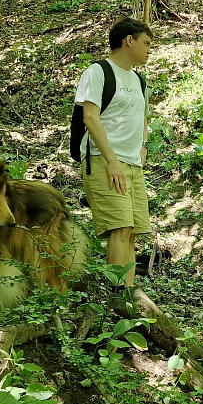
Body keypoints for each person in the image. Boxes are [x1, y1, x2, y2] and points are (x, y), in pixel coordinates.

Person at [75, 17, 152, 309]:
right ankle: (116, 299)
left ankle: (128, 297)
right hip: (105, 161)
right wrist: (113, 162)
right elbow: (90, 117)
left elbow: (144, 118)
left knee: (131, 231)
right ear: (128, 40)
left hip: (133, 164)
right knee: (119, 228)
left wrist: (143, 148)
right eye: (145, 43)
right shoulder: (98, 72)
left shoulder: (139, 81)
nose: (149, 50)